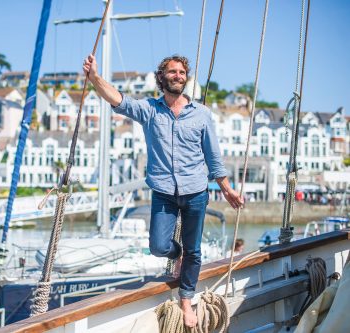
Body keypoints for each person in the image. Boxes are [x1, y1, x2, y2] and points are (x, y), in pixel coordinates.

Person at [82, 54, 243, 328]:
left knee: (195, 251)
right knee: (158, 246)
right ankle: (174, 253)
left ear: (186, 77)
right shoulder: (149, 110)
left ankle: (186, 300)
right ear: (162, 78)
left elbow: (213, 155)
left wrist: (226, 188)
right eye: (172, 72)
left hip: (195, 191)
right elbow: (117, 99)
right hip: (163, 191)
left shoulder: (202, 114)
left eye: (182, 72)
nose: (178, 75)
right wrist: (95, 77)